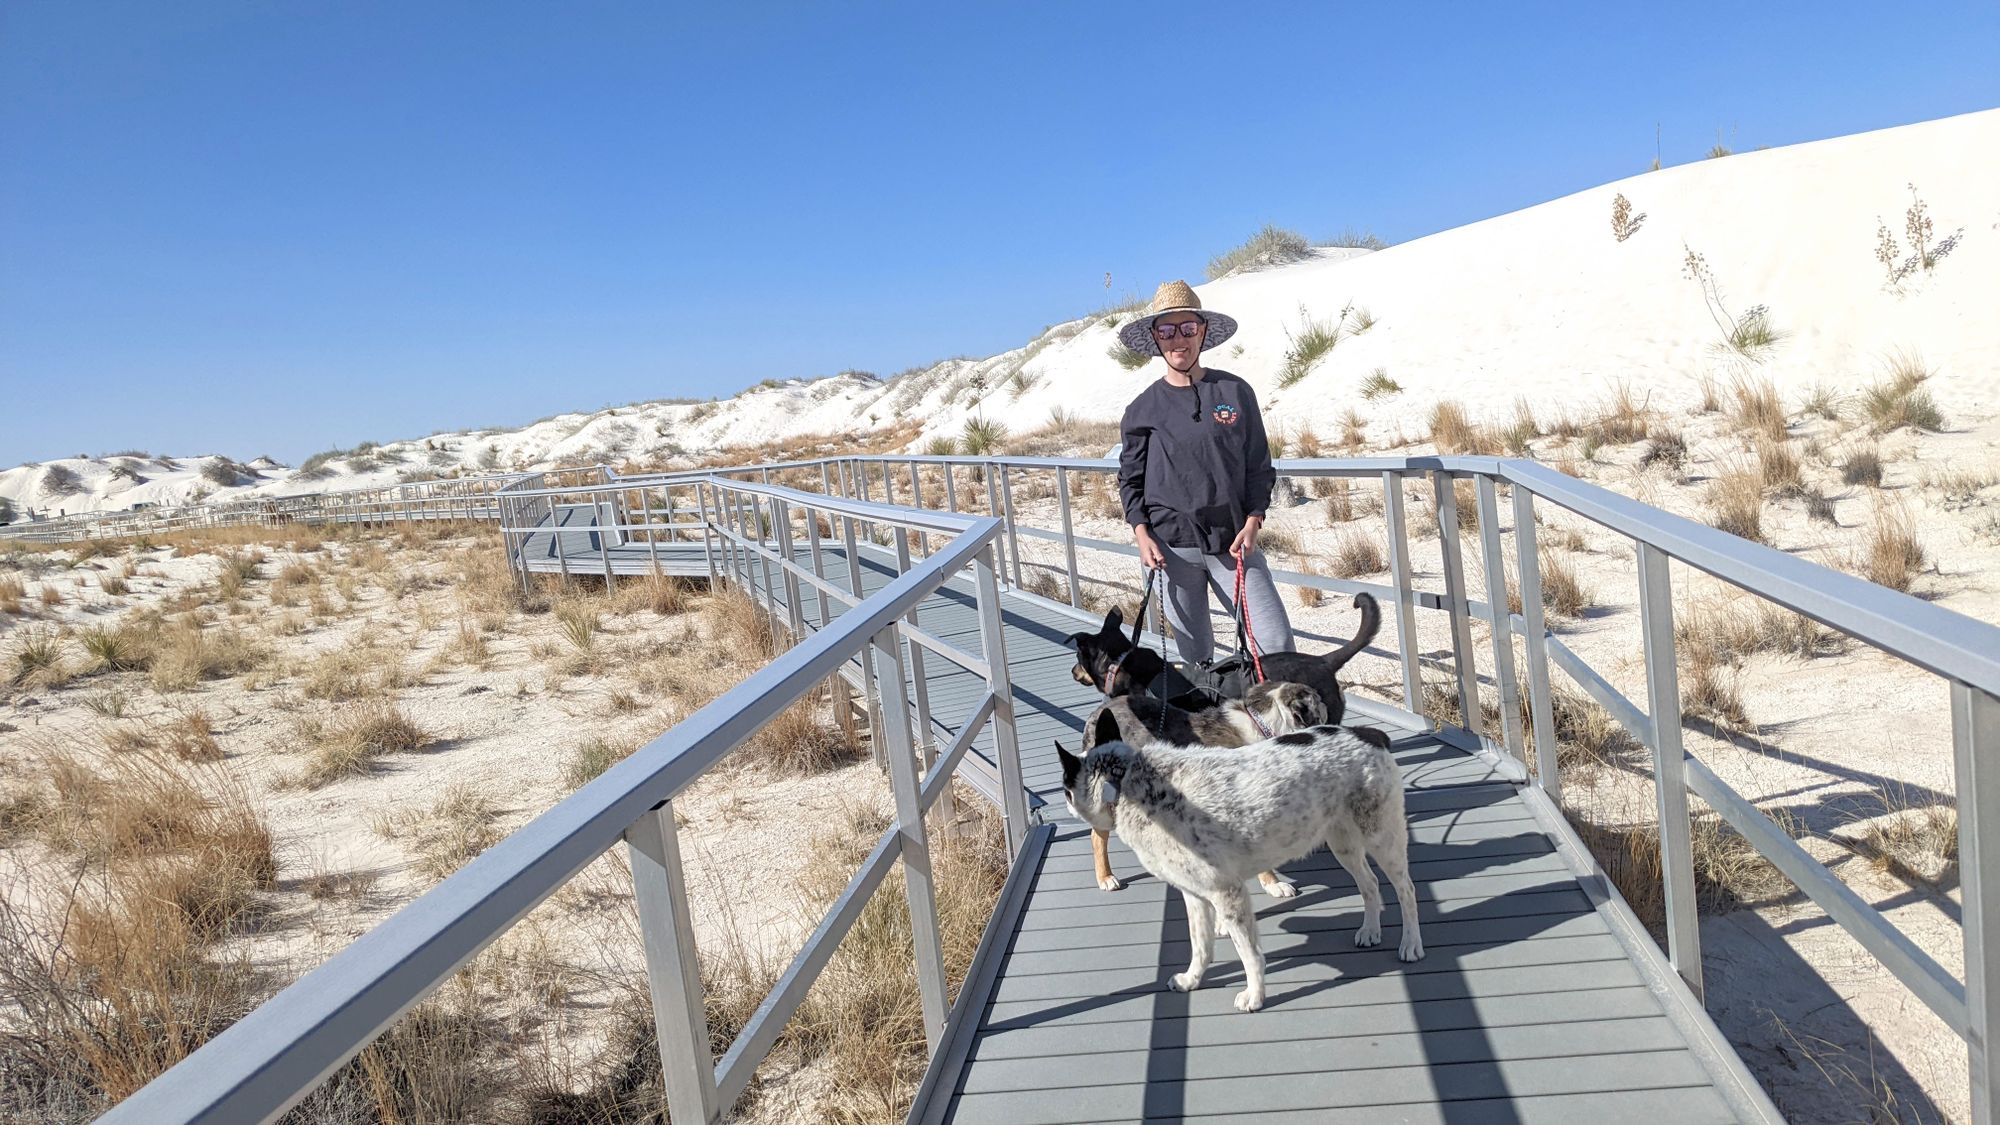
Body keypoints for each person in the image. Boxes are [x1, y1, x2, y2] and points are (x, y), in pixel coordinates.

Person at [1116, 279, 1295, 666]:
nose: (1177, 339)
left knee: (1276, 644)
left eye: (1187, 328)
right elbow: (1130, 479)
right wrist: (1142, 534)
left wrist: (1254, 520)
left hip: (1233, 542)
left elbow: (1258, 464)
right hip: (1169, 549)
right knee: (1197, 660)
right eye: (1166, 330)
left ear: (1203, 332)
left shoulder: (1234, 391)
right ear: (1155, 338)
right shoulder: (1142, 409)